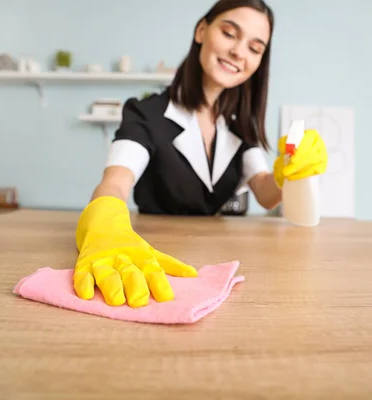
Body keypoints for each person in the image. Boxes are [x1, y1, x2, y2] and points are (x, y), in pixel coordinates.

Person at [73, 0, 328, 308]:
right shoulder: (146, 114)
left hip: (211, 273)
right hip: (149, 262)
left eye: (255, 48)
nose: (238, 52)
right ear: (201, 30)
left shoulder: (240, 128)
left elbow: (265, 193)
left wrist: (290, 169)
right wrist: (105, 226)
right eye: (230, 33)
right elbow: (115, 182)